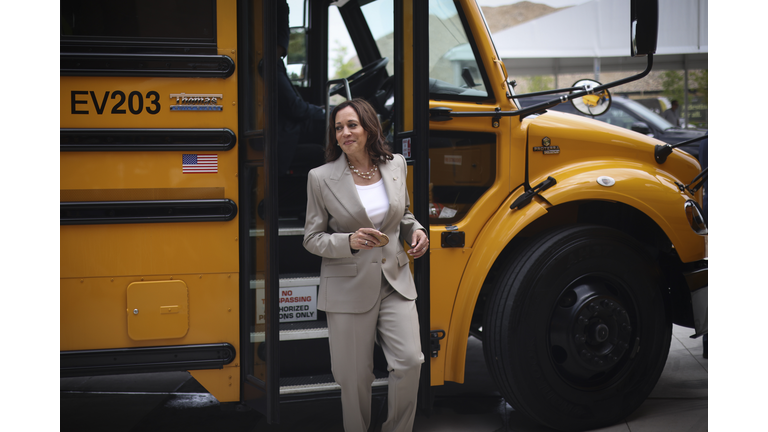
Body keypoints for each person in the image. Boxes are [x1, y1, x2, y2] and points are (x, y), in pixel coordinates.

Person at [303, 99, 429, 432]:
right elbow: (312, 238)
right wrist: (348, 242)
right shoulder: (320, 178)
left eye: (352, 125)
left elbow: (404, 215)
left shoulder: (396, 165)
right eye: (339, 127)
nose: (344, 132)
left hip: (395, 280)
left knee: (410, 362)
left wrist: (416, 230)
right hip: (347, 285)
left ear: (369, 128)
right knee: (354, 377)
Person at [273, 0, 326, 174]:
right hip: (279, 137)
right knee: (331, 127)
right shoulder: (268, 64)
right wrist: (323, 112)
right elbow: (294, 108)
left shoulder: (268, 63)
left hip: (278, 130)